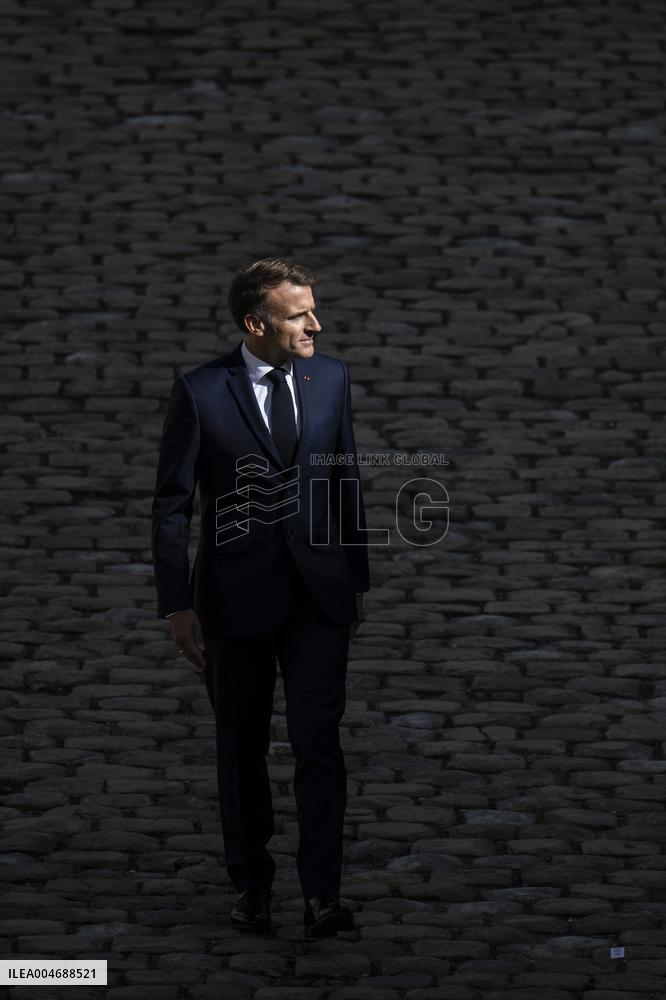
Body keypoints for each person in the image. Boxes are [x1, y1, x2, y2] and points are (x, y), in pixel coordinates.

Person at [151, 258, 370, 938]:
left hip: (317, 599)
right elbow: (172, 506)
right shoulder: (201, 391)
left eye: (313, 309)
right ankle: (252, 886)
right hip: (233, 601)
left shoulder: (330, 377)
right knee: (240, 749)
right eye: (299, 314)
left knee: (319, 744)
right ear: (256, 324)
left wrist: (353, 580)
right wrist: (176, 604)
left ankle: (322, 894)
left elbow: (345, 475)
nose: (316, 323)